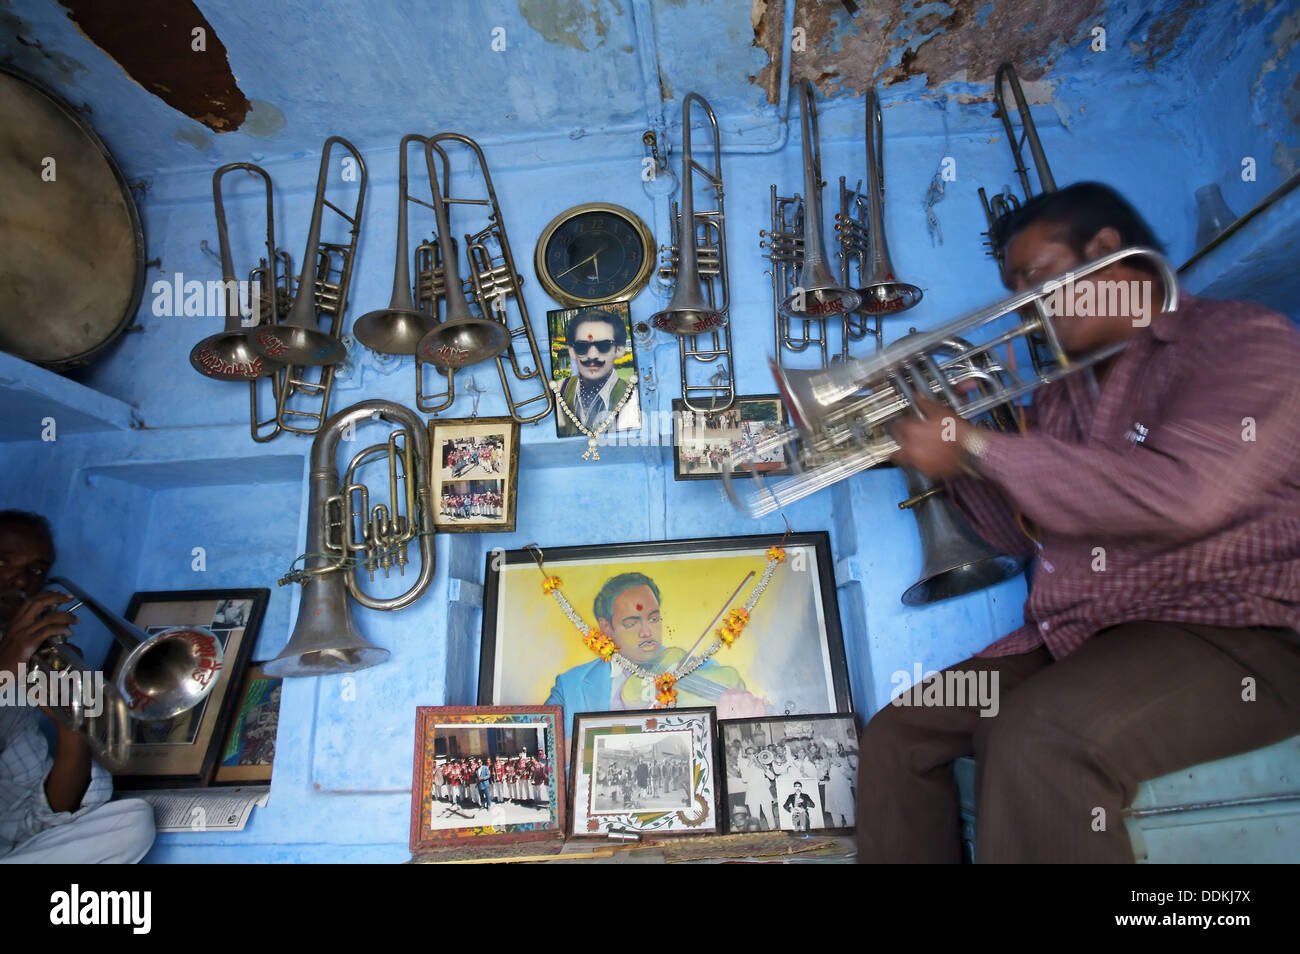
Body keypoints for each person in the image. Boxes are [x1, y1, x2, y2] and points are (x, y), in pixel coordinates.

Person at [859, 182, 1300, 863]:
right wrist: (957, 462)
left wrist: (978, 446)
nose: (1023, 306)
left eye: (1033, 278)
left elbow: (1185, 497)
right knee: (898, 734)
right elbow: (1020, 538)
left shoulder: (1240, 341)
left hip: (1234, 630)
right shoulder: (1061, 396)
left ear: (1104, 252)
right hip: (1080, 638)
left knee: (1037, 737)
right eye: (1012, 287)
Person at [0, 510, 156, 863]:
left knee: (131, 824)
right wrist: (4, 672)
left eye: (36, 571)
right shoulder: (13, 664)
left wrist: (72, 723)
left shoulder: (29, 666)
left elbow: (43, 815)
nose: (20, 580)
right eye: (2, 562)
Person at [544, 572, 767, 739]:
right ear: (606, 627)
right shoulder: (570, 685)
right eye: (632, 623)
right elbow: (548, 750)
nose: (647, 631)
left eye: (653, 618)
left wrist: (738, 719)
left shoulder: (694, 666)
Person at [554, 308, 638, 438]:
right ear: (571, 351)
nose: (592, 355)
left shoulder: (632, 399)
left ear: (619, 350)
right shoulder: (560, 390)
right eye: (582, 347)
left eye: (604, 346)